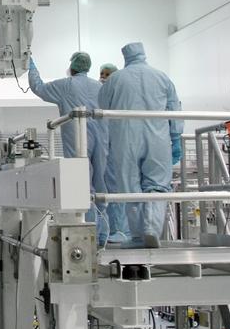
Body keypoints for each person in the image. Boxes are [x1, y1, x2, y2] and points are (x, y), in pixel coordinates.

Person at [98, 42, 182, 248]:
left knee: (130, 187)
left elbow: (102, 105)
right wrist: (176, 137)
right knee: (158, 186)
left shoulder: (115, 79)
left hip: (125, 139)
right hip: (158, 137)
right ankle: (151, 229)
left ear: (125, 57)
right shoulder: (162, 77)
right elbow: (174, 109)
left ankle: (137, 236)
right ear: (143, 55)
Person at [28, 51, 111, 243]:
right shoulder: (99, 87)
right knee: (101, 184)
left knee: (82, 183)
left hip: (78, 139)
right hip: (102, 137)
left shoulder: (66, 85)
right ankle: (103, 233)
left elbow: (38, 87)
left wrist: (31, 66)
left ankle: (89, 231)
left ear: (72, 66)